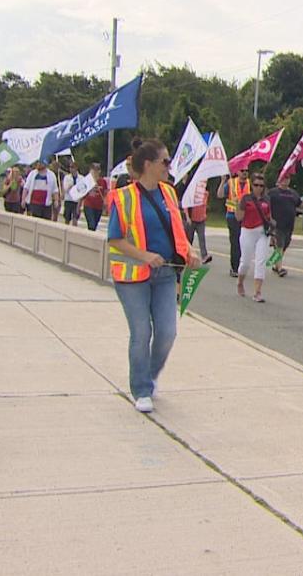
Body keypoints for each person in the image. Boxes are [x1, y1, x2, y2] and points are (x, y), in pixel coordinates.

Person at [106, 139, 199, 413]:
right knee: (141, 332)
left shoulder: (169, 193)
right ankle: (141, 389)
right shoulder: (123, 197)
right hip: (132, 276)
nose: (169, 167)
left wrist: (189, 252)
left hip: (166, 273)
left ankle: (149, 375)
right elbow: (114, 239)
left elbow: (178, 231)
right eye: (165, 162)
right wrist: (144, 255)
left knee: (167, 333)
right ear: (148, 165)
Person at [235, 173, 275, 302]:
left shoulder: (267, 200)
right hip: (247, 231)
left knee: (260, 261)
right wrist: (237, 205)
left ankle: (258, 292)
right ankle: (240, 281)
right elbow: (239, 218)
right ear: (252, 185)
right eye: (256, 185)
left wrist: (273, 232)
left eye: (261, 186)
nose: (259, 188)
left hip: (262, 233)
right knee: (245, 262)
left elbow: (269, 217)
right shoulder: (246, 199)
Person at [267, 175, 303, 277]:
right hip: (277, 224)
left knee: (284, 245)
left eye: (288, 178)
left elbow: (300, 205)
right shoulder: (273, 192)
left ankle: (275, 263)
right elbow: (267, 206)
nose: (286, 180)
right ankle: (280, 269)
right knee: (279, 245)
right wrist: (270, 219)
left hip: (289, 224)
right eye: (284, 178)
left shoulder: (293, 193)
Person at [218, 169, 252, 278]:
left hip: (246, 217)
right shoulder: (231, 182)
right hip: (232, 216)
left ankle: (242, 266)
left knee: (245, 243)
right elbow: (220, 195)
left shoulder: (250, 184)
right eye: (242, 170)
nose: (245, 173)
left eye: (247, 170)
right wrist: (223, 181)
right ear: (238, 172)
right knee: (235, 242)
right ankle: (234, 268)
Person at [80, 163, 109, 231]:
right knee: (91, 224)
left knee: (95, 224)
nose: (96, 172)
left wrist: (105, 202)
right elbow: (82, 193)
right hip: (89, 205)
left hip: (98, 206)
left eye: (97, 170)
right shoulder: (87, 180)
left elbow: (105, 193)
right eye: (94, 170)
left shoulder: (103, 181)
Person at [61, 160, 81, 226]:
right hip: (68, 199)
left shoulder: (81, 178)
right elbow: (65, 189)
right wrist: (70, 186)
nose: (71, 169)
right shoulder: (67, 177)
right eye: (70, 167)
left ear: (76, 168)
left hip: (76, 200)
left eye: (73, 167)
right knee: (67, 218)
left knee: (75, 218)